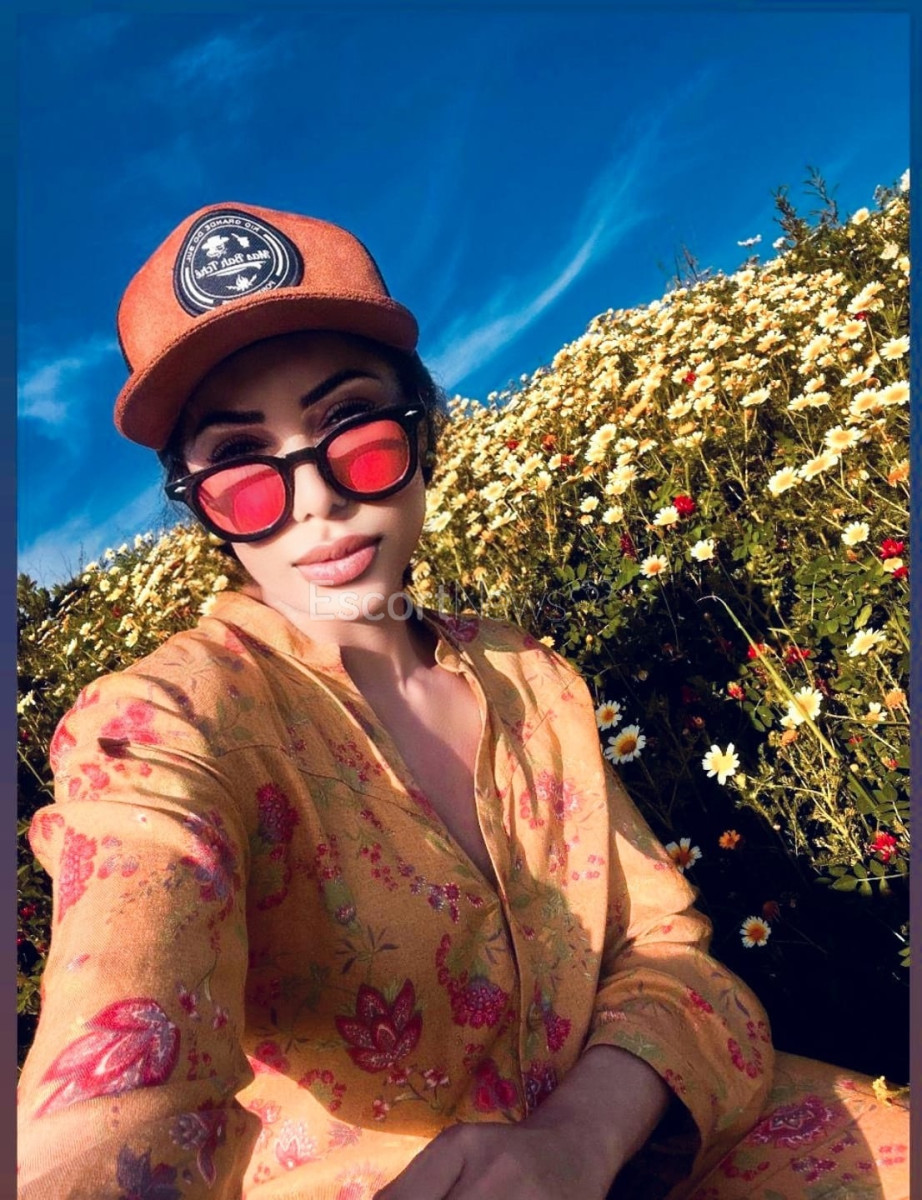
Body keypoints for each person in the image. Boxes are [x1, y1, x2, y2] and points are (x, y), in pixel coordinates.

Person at [17, 203, 909, 1200]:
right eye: (240, 464)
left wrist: (578, 1138)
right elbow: (111, 1094)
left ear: (423, 429)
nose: (315, 499)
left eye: (349, 426)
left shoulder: (531, 676)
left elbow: (665, 952)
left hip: (650, 1130)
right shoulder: (157, 728)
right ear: (202, 507)